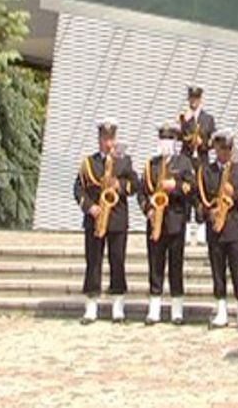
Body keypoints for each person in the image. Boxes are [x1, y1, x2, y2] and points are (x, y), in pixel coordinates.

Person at [74, 119, 138, 325]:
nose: (108, 143)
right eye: (104, 139)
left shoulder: (124, 161)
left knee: (117, 261)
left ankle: (118, 306)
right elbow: (78, 189)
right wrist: (90, 207)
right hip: (95, 218)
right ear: (99, 139)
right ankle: (91, 306)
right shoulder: (89, 163)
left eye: (111, 139)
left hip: (117, 219)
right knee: (93, 262)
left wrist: (119, 184)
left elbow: (135, 185)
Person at [138, 121, 196, 326]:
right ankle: (154, 309)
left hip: (175, 220)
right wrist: (148, 209)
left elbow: (192, 188)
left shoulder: (183, 163)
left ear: (176, 142)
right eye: (163, 139)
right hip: (155, 222)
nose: (166, 143)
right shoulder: (151, 165)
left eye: (170, 139)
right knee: (155, 264)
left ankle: (177, 310)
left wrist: (176, 186)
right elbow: (142, 192)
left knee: (175, 265)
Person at [198, 130, 238, 330]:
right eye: (222, 149)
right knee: (217, 270)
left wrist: (235, 194)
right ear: (216, 149)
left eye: (229, 149)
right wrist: (207, 213)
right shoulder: (207, 171)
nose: (226, 153)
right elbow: (200, 198)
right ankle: (221, 310)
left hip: (234, 226)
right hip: (215, 227)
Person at [180, 85, 216, 245]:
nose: (193, 102)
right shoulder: (184, 118)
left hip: (201, 159)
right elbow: (179, 137)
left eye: (196, 99)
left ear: (200, 100)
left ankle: (201, 227)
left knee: (202, 192)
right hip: (187, 159)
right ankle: (187, 228)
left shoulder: (208, 119)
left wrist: (203, 144)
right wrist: (185, 122)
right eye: (191, 99)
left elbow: (214, 141)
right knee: (187, 191)